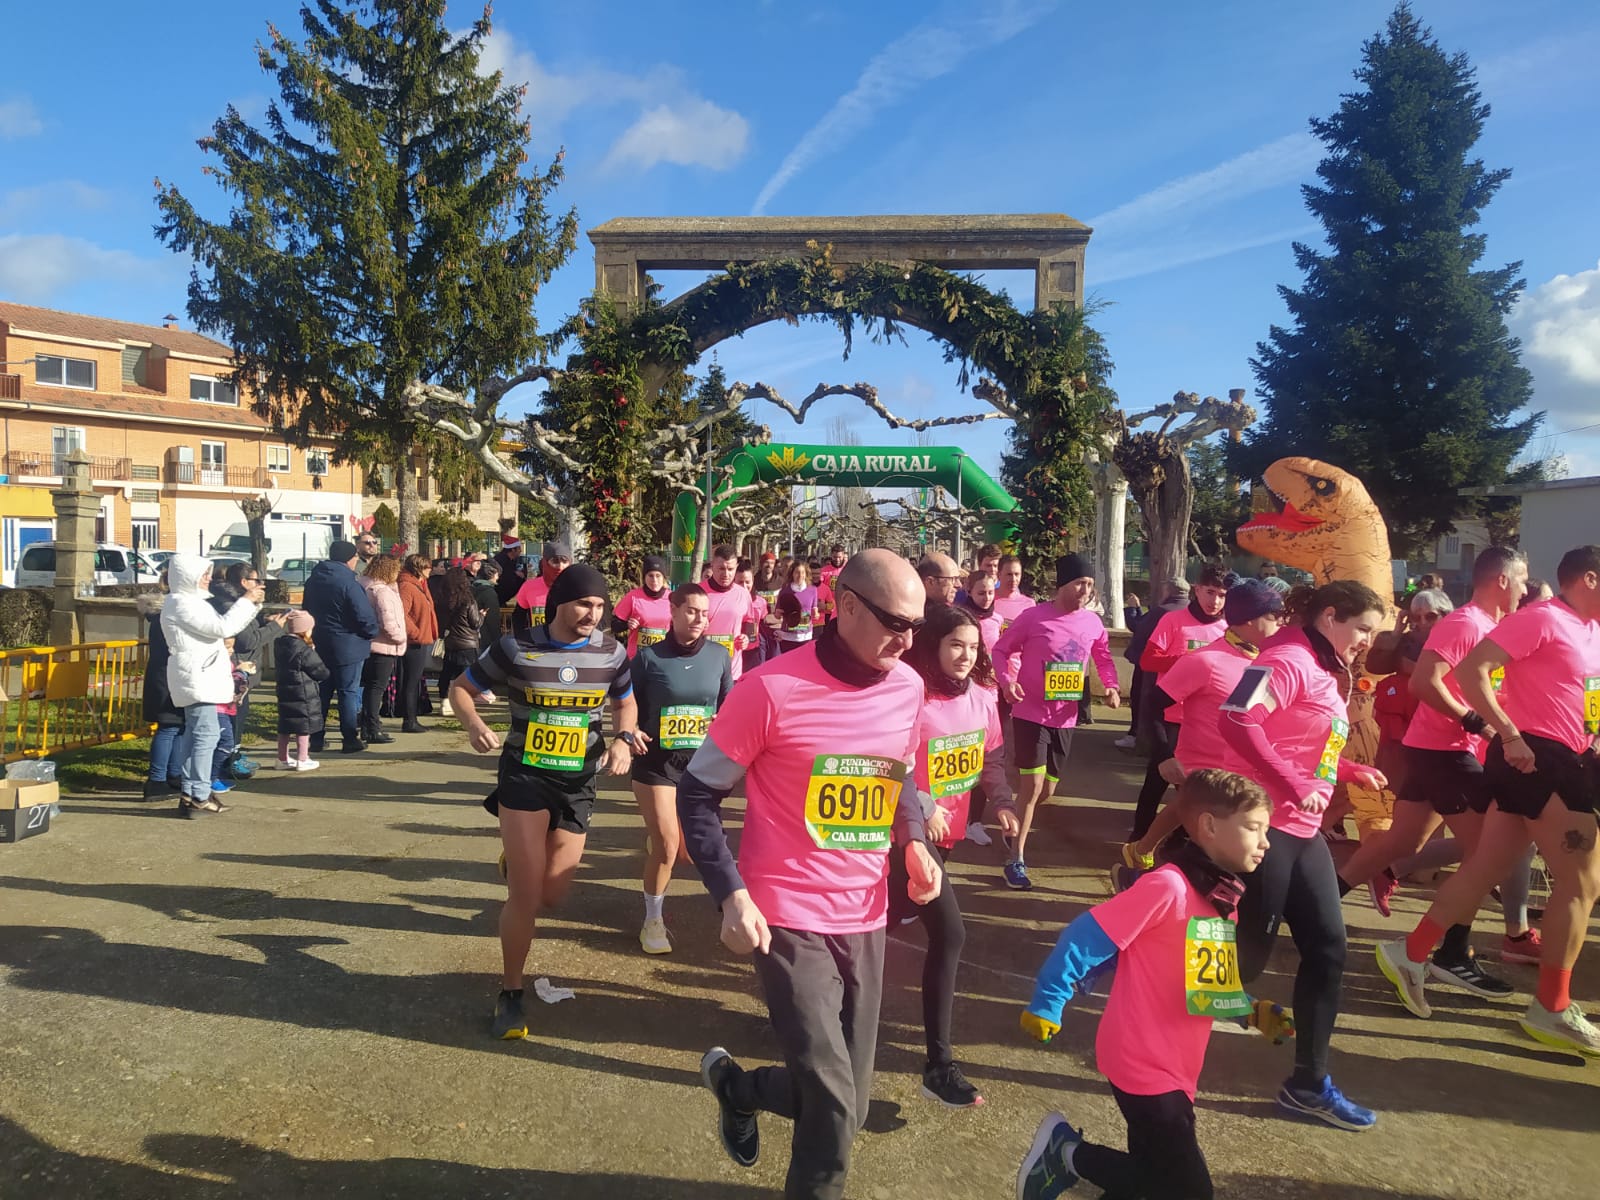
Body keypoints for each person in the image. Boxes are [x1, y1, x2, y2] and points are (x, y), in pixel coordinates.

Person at [679, 549, 941, 1200]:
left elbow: (900, 776)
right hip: (784, 912)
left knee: (848, 1099)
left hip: (866, 912)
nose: (909, 642)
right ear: (846, 605)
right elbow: (698, 795)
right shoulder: (768, 689)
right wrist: (730, 894)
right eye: (896, 623)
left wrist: (912, 842)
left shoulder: (908, 687)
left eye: (917, 625)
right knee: (832, 1101)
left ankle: (740, 1090)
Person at [1375, 545, 1600, 1055]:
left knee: (1484, 868)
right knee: (1582, 883)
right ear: (1588, 578)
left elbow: (1583, 695)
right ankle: (1553, 1008)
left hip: (1564, 757)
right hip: (1538, 758)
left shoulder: (1589, 629)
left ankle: (1410, 952)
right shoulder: (1542, 618)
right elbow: (1472, 671)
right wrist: (1508, 734)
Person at [1016, 770, 1276, 1200]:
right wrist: (1049, 1000)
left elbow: (1207, 986)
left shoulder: (1221, 901)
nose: (1265, 842)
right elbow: (1087, 935)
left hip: (1178, 1067)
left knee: (1148, 1180)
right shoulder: (1168, 886)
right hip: (1142, 1061)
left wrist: (1251, 1012)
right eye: (1254, 828)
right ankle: (1067, 1154)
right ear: (1210, 826)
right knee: (1188, 1192)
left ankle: (1069, 1156)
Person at [1218, 579, 1388, 1130]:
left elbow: (1303, 740)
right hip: (1262, 827)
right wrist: (1292, 782)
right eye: (1363, 629)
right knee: (1244, 963)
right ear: (1330, 616)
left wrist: (1346, 770)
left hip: (1303, 830)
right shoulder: (1287, 659)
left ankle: (1308, 1085)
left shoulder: (1319, 666)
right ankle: (1153, 994)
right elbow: (1236, 717)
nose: (1367, 641)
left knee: (1329, 948)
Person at [449, 562, 638, 1041]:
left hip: (579, 782)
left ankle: (518, 862)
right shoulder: (517, 647)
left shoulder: (612, 653)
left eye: (600, 605)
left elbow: (625, 701)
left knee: (553, 893)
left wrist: (623, 739)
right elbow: (461, 688)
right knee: (526, 896)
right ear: (559, 604)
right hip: (525, 777)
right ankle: (511, 993)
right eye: (583, 604)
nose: (593, 614)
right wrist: (474, 724)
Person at [1336, 548, 1535, 986]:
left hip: (1435, 749)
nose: (1525, 589)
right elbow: (1425, 682)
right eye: (1522, 579)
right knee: (1487, 856)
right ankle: (1452, 953)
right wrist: (1477, 723)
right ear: (1502, 580)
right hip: (1448, 751)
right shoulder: (1466, 623)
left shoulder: (1491, 626)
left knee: (1401, 841)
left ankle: (1316, 905)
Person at [900, 602, 1018, 1107]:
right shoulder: (912, 697)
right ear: (934, 646)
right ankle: (939, 1066)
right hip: (905, 835)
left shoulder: (983, 699)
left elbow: (990, 759)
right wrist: (924, 808)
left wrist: (1003, 801)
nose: (966, 655)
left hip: (946, 840)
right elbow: (894, 764)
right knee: (950, 934)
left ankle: (814, 993)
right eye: (955, 645)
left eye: (973, 647)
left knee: (880, 921)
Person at [1118, 579, 1285, 885]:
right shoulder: (1205, 660)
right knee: (1209, 842)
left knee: (1192, 821)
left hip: (1243, 770)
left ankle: (1141, 852)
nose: (1281, 623)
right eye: (1274, 616)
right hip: (1201, 769)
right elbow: (1152, 704)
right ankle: (1152, 869)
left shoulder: (1266, 662)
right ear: (1250, 620)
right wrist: (1164, 755)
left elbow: (1252, 716)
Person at [992, 553, 1122, 890]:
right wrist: (1008, 683)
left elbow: (1103, 657)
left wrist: (1110, 686)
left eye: (1090, 584)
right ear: (1062, 584)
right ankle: (1016, 859)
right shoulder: (1033, 617)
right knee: (1032, 787)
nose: (1085, 590)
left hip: (1065, 717)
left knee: (1046, 790)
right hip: (1030, 713)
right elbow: (1001, 650)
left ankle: (1014, 820)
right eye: (1079, 583)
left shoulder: (1092, 623)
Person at [629, 583, 734, 954]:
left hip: (698, 767)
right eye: (691, 611)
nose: (699, 619)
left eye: (704, 613)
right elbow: (625, 704)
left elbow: (728, 705)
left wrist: (723, 722)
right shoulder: (648, 659)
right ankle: (652, 920)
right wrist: (630, 731)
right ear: (672, 611)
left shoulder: (719, 656)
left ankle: (661, 838)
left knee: (688, 854)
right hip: (655, 764)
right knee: (668, 847)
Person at [1128, 566, 1232, 844]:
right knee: (1157, 779)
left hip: (1204, 721)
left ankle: (1183, 840)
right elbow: (1148, 660)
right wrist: (1189, 663)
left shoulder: (1228, 629)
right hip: (1170, 715)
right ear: (1196, 589)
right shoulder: (1174, 620)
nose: (1215, 601)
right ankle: (1139, 837)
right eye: (1210, 592)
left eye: (1222, 595)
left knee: (1197, 788)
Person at [161, 554, 264, 818]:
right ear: (188, 577)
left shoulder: (189, 602)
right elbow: (222, 628)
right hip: (198, 677)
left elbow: (223, 627)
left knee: (196, 737)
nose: (208, 578)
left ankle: (191, 793)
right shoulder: (182, 603)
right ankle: (199, 794)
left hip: (200, 675)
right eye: (204, 574)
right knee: (205, 736)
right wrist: (246, 601)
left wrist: (250, 604)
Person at [301, 541, 378, 755]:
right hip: (348, 644)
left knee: (322, 692)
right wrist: (370, 632)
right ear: (349, 559)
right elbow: (363, 615)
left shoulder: (313, 580)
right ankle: (349, 738)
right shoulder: (349, 583)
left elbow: (306, 609)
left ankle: (316, 738)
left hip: (320, 641)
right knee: (348, 692)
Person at [1120, 579, 1190, 752]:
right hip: (1183, 673)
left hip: (1153, 667)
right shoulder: (1190, 612)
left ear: (1168, 591)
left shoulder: (1162, 611)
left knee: (1142, 700)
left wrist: (1132, 609)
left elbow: (1138, 626)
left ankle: (1136, 735)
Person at [139, 585, 185, 800]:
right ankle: (157, 780)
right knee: (168, 727)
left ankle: (173, 774)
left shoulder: (165, 614)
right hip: (166, 679)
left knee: (179, 727)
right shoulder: (165, 617)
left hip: (171, 676)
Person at [274, 611, 329, 772]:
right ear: (305, 630)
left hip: (285, 691)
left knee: (285, 726)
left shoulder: (280, 645)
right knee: (303, 727)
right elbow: (319, 670)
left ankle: (282, 758)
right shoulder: (303, 649)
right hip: (303, 693)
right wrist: (313, 652)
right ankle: (303, 759)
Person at [397, 554, 439, 733]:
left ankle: (412, 718)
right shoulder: (407, 586)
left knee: (414, 680)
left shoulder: (420, 585)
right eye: (428, 566)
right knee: (411, 681)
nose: (431, 569)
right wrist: (416, 632)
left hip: (421, 638)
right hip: (413, 640)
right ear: (419, 568)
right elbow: (402, 613)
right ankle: (409, 720)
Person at [703, 543, 756, 679]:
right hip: (703, 669)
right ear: (712, 565)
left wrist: (746, 638)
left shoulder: (743, 594)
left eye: (730, 569)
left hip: (732, 671)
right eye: (721, 568)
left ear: (736, 567)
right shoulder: (698, 592)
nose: (726, 574)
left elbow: (749, 623)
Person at [437, 565, 485, 707]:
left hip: (450, 641)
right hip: (467, 643)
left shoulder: (443, 600)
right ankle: (461, 703)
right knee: (465, 675)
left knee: (446, 672)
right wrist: (482, 615)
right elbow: (475, 623)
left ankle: (444, 700)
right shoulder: (468, 600)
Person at [613, 554, 673, 658]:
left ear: (663, 578)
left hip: (662, 657)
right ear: (644, 577)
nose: (654, 580)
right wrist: (627, 624)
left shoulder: (671, 598)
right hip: (637, 658)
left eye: (658, 576)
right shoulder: (633, 596)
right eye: (650, 575)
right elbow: (614, 625)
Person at [511, 541, 573, 634]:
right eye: (555, 561)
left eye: (564, 561)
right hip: (539, 640)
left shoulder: (576, 587)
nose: (560, 566)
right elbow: (519, 617)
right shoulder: (529, 586)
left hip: (568, 641)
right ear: (545, 562)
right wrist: (522, 638)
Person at [775, 559, 822, 654]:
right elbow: (777, 614)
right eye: (797, 572)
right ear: (792, 574)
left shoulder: (812, 590)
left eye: (802, 572)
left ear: (806, 574)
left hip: (805, 636)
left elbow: (815, 610)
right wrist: (778, 614)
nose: (800, 575)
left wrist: (816, 615)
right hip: (787, 637)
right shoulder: (785, 591)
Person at [736, 559, 769, 674]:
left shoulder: (761, 602)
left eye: (747, 582)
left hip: (753, 652)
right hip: (734, 652)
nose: (744, 586)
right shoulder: (729, 603)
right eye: (740, 582)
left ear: (753, 581)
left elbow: (763, 623)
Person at [472, 560, 503, 653]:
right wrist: (497, 638)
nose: (498, 577)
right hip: (486, 638)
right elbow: (493, 618)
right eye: (497, 575)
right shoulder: (489, 593)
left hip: (472, 635)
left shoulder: (471, 588)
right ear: (491, 575)